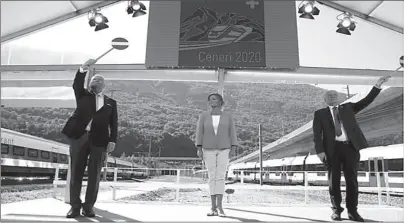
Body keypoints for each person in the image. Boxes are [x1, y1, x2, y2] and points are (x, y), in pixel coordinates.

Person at [312, 76, 390, 222]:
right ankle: (336, 211)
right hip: (331, 151)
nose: (332, 96)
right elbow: (317, 135)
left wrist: (378, 85)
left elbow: (367, 101)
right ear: (325, 99)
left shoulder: (348, 107)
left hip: (350, 149)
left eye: (335, 95)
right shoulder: (319, 114)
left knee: (352, 181)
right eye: (329, 95)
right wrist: (320, 152)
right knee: (333, 181)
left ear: (339, 98)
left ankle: (353, 211)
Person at [62, 59, 118, 218]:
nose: (96, 81)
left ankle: (88, 207)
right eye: (93, 79)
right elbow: (77, 84)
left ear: (104, 85)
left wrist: (112, 140)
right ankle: (74, 207)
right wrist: (82, 70)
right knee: (76, 173)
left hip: (100, 141)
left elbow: (114, 123)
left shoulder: (111, 103)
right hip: (79, 138)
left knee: (94, 175)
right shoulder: (82, 95)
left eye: (99, 80)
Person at [195, 93, 238, 217]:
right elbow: (199, 132)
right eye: (209, 99)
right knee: (212, 177)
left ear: (220, 101)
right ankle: (212, 207)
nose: (211, 101)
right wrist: (199, 148)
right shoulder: (203, 116)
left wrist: (234, 146)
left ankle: (220, 207)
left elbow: (232, 132)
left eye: (213, 99)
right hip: (207, 149)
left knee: (220, 177)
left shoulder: (228, 116)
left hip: (224, 149)